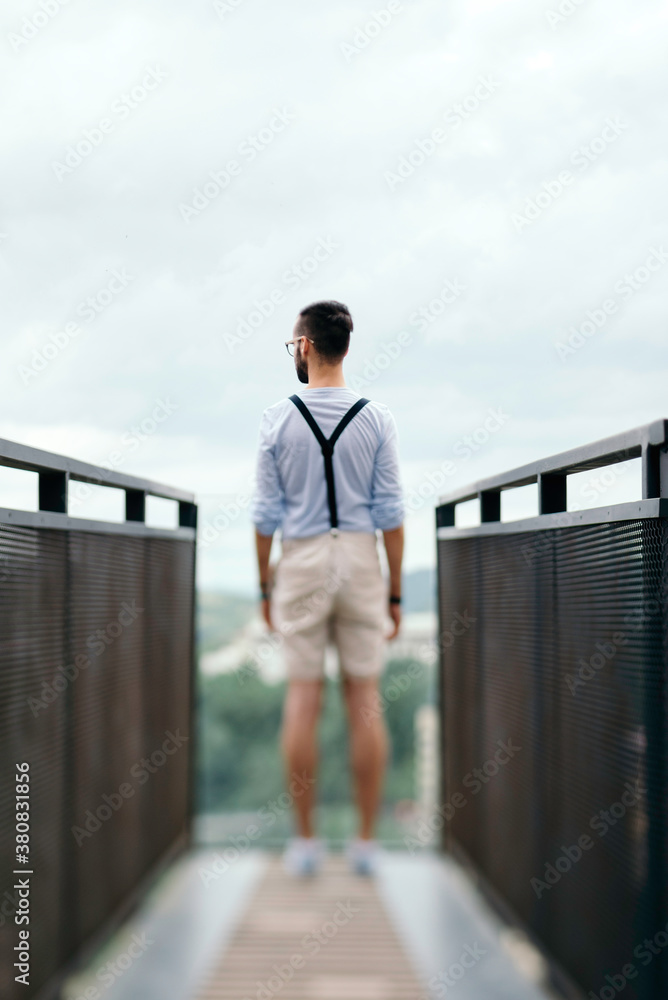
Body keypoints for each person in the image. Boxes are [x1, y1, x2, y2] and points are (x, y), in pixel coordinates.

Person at [249, 300, 405, 876]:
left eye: (293, 345)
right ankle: (365, 844)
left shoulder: (276, 419)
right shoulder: (377, 417)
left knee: (303, 698)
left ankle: (307, 844)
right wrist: (393, 595)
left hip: (303, 559)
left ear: (306, 346)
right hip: (361, 556)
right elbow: (392, 514)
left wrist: (266, 588)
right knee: (364, 701)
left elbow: (266, 517)